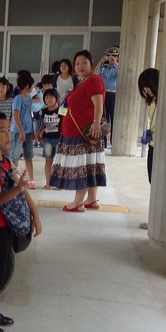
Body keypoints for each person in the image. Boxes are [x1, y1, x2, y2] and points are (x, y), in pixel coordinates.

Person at [0, 112, 41, 330]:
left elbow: (21, 190)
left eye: (8, 129)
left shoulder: (5, 161)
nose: (8, 135)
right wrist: (18, 188)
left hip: (8, 225)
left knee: (2, 271)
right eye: (2, 131)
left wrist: (35, 214)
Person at [49, 50, 106, 212]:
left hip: (83, 133)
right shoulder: (83, 81)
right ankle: (92, 199)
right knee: (89, 165)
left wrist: (96, 123)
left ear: (91, 64)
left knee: (80, 166)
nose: (80, 66)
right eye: (78, 63)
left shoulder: (93, 80)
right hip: (81, 132)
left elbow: (98, 103)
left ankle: (78, 202)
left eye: (84, 62)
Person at [138, 68, 159, 230]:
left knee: (160, 184)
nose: (146, 91)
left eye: (148, 87)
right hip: (153, 146)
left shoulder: (165, 100)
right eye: (144, 89)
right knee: (153, 182)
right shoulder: (152, 102)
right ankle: (153, 218)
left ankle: (158, 221)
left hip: (163, 147)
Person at [11, 70, 37, 189]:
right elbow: (16, 116)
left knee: (28, 156)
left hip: (28, 131)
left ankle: (31, 180)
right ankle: (16, 179)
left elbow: (29, 115)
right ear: (28, 86)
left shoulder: (29, 99)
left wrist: (33, 131)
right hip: (18, 132)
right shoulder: (18, 99)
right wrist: (21, 131)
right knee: (15, 156)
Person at [36, 89, 61, 189]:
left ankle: (59, 183)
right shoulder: (45, 110)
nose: (49, 100)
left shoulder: (61, 110)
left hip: (59, 139)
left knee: (58, 162)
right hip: (48, 140)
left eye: (51, 97)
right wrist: (39, 133)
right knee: (48, 160)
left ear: (56, 99)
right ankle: (48, 182)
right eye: (46, 97)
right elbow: (43, 123)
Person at [96, 46, 119, 142]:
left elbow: (122, 74)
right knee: (103, 117)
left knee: (114, 117)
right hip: (104, 93)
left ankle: (113, 140)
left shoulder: (117, 67)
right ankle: (103, 139)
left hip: (113, 94)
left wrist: (116, 63)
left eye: (114, 56)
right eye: (110, 56)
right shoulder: (103, 67)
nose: (112, 58)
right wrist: (101, 61)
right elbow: (95, 74)